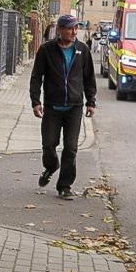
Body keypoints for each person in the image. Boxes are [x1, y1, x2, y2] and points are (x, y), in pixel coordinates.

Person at [30, 13, 97, 200]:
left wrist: (91, 101)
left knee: (71, 148)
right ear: (59, 30)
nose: (74, 32)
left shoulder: (82, 50)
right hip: (52, 107)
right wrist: (35, 101)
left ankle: (65, 186)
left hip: (74, 107)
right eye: (70, 28)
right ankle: (51, 167)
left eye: (76, 28)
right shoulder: (46, 50)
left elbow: (89, 78)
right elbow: (36, 77)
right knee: (49, 145)